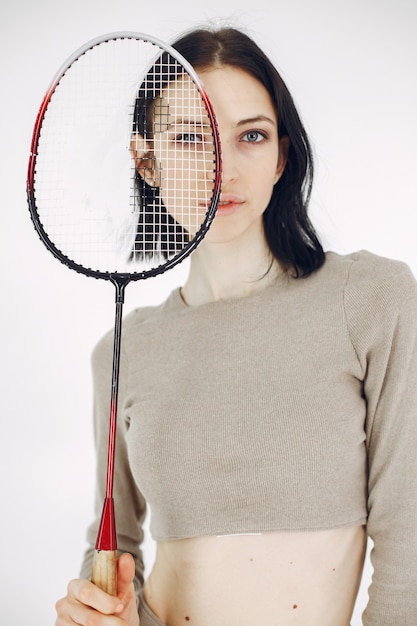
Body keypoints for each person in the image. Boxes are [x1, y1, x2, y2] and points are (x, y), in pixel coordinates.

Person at [55, 26, 417, 626]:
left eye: (250, 135)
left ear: (282, 157)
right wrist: (98, 613)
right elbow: (113, 549)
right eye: (191, 138)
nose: (221, 168)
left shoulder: (371, 300)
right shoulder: (122, 351)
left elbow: (410, 528)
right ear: (148, 162)